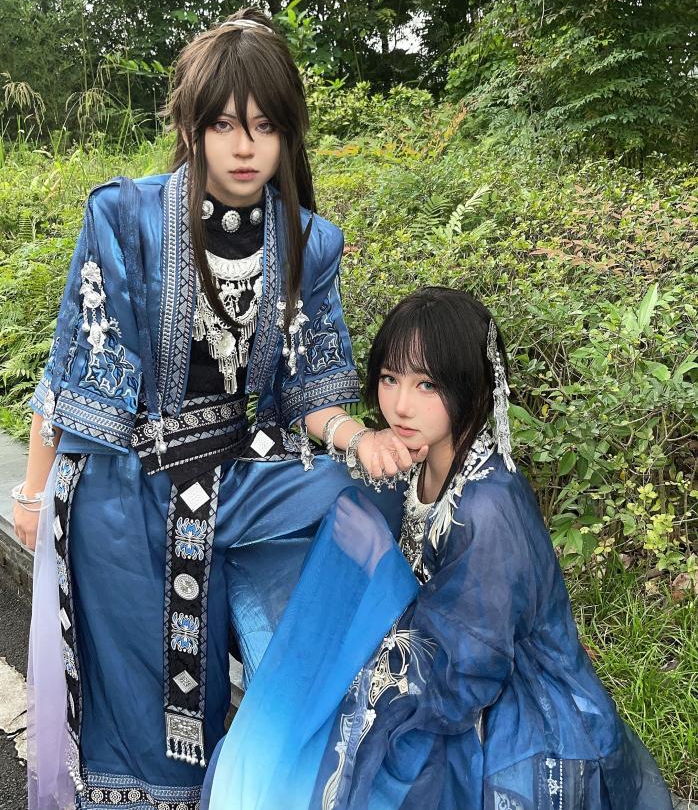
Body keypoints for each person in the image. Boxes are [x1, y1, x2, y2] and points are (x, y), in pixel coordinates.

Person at [14, 8, 423, 810]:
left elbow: (311, 387)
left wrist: (355, 436)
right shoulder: (124, 219)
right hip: (131, 482)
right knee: (139, 714)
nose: (245, 147)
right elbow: (75, 375)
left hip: (244, 466)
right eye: (226, 125)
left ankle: (334, 727)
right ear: (192, 126)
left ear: (287, 135)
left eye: (265, 127)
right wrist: (34, 493)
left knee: (371, 498)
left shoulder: (309, 242)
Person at [204, 287, 673, 810]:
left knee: (326, 755)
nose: (400, 405)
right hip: (440, 659)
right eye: (390, 379)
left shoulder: (488, 505)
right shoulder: (421, 458)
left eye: (426, 384)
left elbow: (471, 663)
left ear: (471, 385)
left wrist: (374, 601)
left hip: (512, 705)